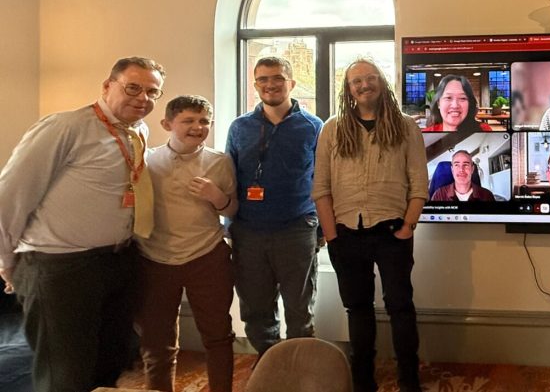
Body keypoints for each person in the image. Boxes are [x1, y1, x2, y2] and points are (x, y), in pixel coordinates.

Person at [0, 56, 164, 391]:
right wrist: (6, 261)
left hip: (117, 260)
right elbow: (11, 195)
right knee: (65, 374)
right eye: (133, 87)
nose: (142, 98)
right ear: (107, 86)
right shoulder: (64, 127)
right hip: (60, 266)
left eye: (152, 92)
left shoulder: (138, 131)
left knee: (111, 361)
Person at [313, 58, 428, 392]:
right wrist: (332, 236)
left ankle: (410, 380)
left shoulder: (406, 126)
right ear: (348, 89)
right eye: (356, 81)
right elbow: (321, 186)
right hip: (346, 233)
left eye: (370, 78)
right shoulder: (332, 128)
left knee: (401, 307)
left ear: (382, 82)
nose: (364, 85)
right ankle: (363, 381)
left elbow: (419, 183)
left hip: (393, 231)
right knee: (358, 308)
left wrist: (408, 226)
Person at [135, 95, 237, 392]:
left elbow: (231, 209)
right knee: (157, 341)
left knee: (218, 335)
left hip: (207, 257)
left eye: (204, 121)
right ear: (167, 124)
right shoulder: (147, 161)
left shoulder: (220, 161)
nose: (198, 127)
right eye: (188, 121)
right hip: (155, 259)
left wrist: (217, 197)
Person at [226, 56, 324, 357]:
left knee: (299, 308)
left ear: (291, 83)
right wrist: (229, 225)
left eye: (278, 78)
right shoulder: (240, 127)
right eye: (263, 79)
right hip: (249, 232)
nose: (270, 85)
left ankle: (297, 368)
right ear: (255, 85)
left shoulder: (313, 126)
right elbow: (229, 176)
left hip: (296, 229)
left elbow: (324, 180)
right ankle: (268, 364)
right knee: (255, 310)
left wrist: (320, 229)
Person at [423, 75, 492, 132]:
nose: (455, 105)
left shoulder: (483, 130)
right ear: (438, 103)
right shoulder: (425, 134)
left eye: (462, 98)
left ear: (469, 104)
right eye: (448, 98)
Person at [430, 150, 496, 202]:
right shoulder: (439, 195)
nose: (461, 169)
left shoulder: (487, 196)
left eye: (466, 165)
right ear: (452, 170)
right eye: (456, 165)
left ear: (472, 169)